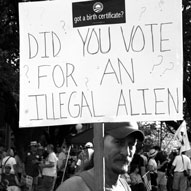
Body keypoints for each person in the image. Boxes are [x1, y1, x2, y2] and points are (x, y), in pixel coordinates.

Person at [56, 121, 145, 191]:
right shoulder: (74, 187)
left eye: (131, 145)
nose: (126, 152)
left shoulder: (124, 186)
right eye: (119, 142)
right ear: (98, 144)